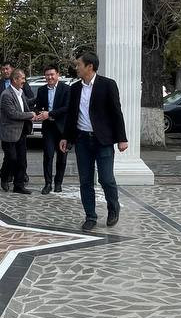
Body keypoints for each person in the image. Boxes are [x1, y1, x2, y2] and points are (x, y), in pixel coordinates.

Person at [59, 51, 128, 232]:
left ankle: (113, 208)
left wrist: (122, 139)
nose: (76, 68)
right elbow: (71, 115)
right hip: (82, 140)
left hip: (103, 140)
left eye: (79, 65)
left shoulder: (108, 85)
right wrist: (66, 137)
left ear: (90, 66)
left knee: (106, 179)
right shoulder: (74, 88)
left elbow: (116, 112)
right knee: (85, 181)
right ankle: (90, 216)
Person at [0, 69, 38, 195]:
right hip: (9, 133)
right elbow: (13, 114)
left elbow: (25, 104)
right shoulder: (6, 94)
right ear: (15, 79)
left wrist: (38, 98)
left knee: (22, 160)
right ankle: (4, 176)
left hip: (21, 132)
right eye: (22, 78)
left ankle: (19, 185)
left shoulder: (20, 92)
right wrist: (30, 115)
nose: (24, 81)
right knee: (11, 158)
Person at [33, 65, 70, 194]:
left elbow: (67, 107)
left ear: (57, 75)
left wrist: (50, 114)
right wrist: (38, 113)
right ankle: (48, 183)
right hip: (48, 127)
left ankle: (58, 183)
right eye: (47, 75)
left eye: (52, 74)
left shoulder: (66, 89)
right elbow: (38, 105)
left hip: (62, 128)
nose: (49, 77)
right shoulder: (42, 90)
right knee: (48, 156)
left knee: (62, 157)